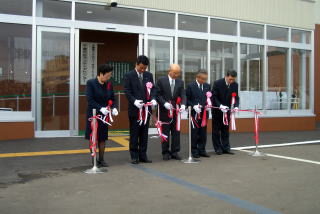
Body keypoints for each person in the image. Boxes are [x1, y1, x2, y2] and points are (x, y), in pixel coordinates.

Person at [124, 55, 157, 164]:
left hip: (146, 110)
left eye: (145, 68)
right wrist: (134, 101)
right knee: (134, 134)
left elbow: (153, 89)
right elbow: (127, 91)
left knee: (144, 134)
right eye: (141, 68)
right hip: (135, 110)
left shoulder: (149, 75)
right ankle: (134, 156)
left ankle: (143, 155)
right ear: (136, 64)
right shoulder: (129, 75)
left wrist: (153, 99)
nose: (142, 70)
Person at [85, 64, 119, 167]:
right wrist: (100, 108)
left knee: (103, 138)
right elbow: (90, 99)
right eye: (107, 75)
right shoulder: (91, 83)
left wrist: (114, 108)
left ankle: (102, 159)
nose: (108, 78)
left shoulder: (108, 84)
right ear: (101, 74)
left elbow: (112, 98)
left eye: (110, 76)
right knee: (93, 137)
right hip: (94, 115)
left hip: (104, 117)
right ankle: (94, 159)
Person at [156, 64, 187, 161]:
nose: (176, 75)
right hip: (164, 111)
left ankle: (175, 152)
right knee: (165, 132)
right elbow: (157, 94)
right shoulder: (161, 80)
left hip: (176, 111)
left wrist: (183, 104)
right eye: (175, 73)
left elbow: (183, 94)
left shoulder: (180, 82)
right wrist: (164, 103)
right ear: (169, 71)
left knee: (176, 132)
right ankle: (165, 152)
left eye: (178, 73)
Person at [211, 70, 239, 155]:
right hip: (217, 110)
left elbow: (236, 97)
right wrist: (220, 106)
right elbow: (214, 97)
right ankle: (218, 148)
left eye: (233, 79)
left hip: (227, 111)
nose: (231, 81)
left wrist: (236, 106)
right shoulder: (217, 83)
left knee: (225, 130)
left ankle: (226, 147)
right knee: (216, 130)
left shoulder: (235, 85)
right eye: (230, 79)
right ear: (226, 76)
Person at [186, 70, 211, 158]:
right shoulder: (190, 86)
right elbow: (187, 99)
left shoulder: (207, 86)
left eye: (205, 79)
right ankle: (194, 150)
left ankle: (202, 150)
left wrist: (208, 105)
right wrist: (193, 106)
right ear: (198, 77)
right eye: (203, 79)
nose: (204, 81)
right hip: (194, 113)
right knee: (194, 133)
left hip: (204, 113)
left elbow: (208, 98)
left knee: (203, 133)